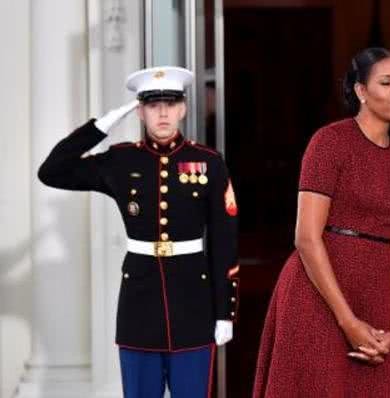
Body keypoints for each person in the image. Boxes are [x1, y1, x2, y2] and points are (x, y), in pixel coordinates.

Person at [38, 66, 239, 398]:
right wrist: (103, 124)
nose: (163, 112)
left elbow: (223, 241)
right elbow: (52, 171)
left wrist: (224, 313)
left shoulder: (208, 162)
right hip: (139, 307)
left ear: (183, 108)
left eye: (171, 103)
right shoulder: (121, 160)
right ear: (140, 111)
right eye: (152, 104)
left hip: (194, 305)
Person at [252, 48, 390, 397]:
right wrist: (347, 321)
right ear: (360, 91)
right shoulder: (329, 142)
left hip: (377, 300)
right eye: (386, 83)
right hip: (318, 296)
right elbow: (307, 238)